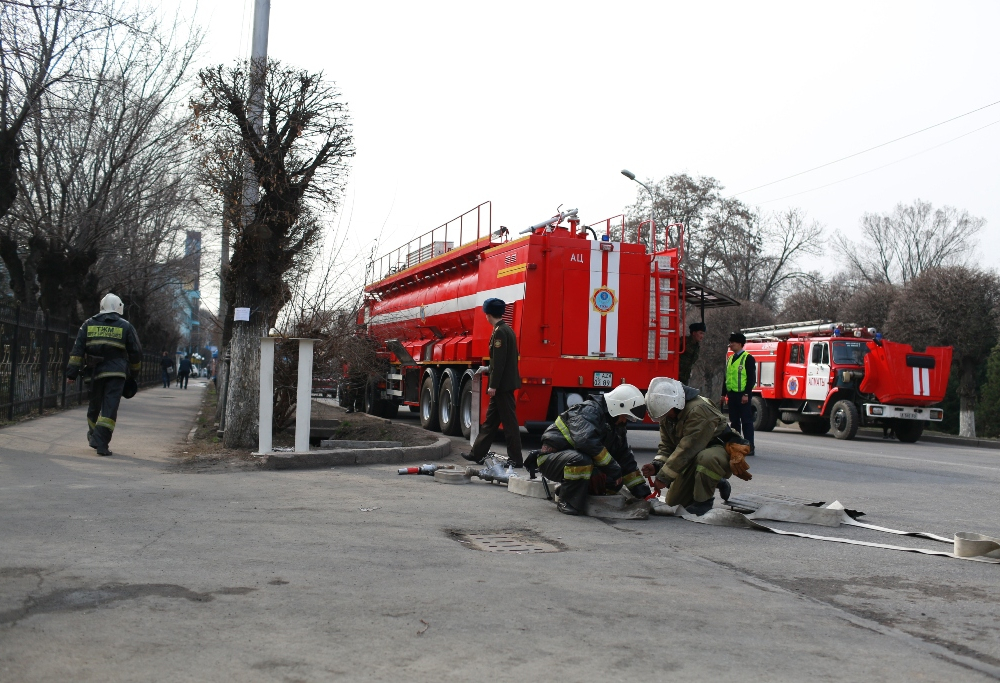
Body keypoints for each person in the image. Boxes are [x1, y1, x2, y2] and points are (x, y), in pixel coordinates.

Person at [529, 384, 648, 515]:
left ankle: (568, 489)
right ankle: (567, 501)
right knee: (582, 460)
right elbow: (586, 442)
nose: (625, 421)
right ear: (617, 406)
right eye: (626, 416)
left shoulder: (615, 424)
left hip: (575, 460)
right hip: (551, 459)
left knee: (613, 481)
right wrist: (613, 468)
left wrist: (642, 492)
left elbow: (624, 457)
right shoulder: (589, 411)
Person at [642, 377, 752, 516]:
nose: (663, 417)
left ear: (674, 404)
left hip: (718, 448)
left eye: (665, 412)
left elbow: (687, 448)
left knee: (706, 459)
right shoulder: (667, 416)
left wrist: (663, 478)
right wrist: (656, 466)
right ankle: (714, 482)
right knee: (674, 503)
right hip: (693, 453)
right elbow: (667, 446)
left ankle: (703, 503)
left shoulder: (698, 410)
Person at [65, 293, 143, 457]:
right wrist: (133, 373)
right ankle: (100, 442)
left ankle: (95, 436)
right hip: (116, 373)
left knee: (94, 406)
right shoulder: (126, 326)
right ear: (118, 307)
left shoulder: (87, 324)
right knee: (110, 407)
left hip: (94, 373)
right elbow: (135, 353)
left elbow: (77, 351)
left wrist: (71, 374)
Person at [463, 298, 523, 467]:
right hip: (504, 384)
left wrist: (493, 385)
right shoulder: (506, 330)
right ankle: (477, 454)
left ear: (488, 314)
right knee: (490, 423)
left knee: (510, 424)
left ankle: (516, 459)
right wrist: (489, 370)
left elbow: (500, 362)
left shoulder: (499, 332)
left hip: (502, 386)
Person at [723, 332, 757, 456]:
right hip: (732, 395)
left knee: (746, 421)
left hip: (743, 395)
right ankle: (737, 445)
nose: (730, 345)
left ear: (739, 344)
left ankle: (749, 446)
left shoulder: (747, 358)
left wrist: (746, 394)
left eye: (732, 343)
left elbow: (751, 378)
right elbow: (726, 377)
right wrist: (723, 394)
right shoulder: (730, 358)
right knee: (734, 422)